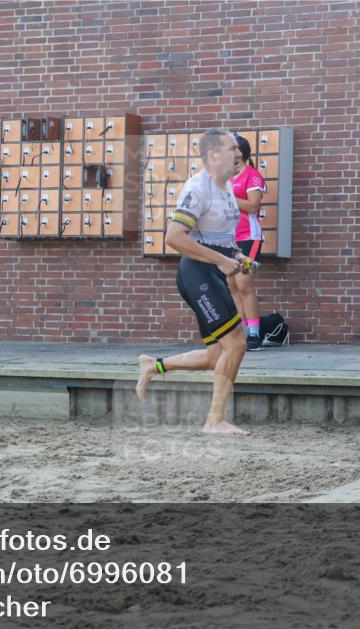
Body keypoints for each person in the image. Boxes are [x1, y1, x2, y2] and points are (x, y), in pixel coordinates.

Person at [136, 128, 252, 435]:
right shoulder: (198, 188)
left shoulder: (225, 188)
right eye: (232, 148)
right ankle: (214, 421)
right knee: (237, 343)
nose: (239, 153)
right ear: (214, 155)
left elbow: (220, 238)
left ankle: (153, 365)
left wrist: (236, 256)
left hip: (211, 272)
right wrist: (219, 260)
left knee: (218, 354)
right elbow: (174, 237)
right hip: (198, 275)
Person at [229, 134, 267, 351]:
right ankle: (240, 333)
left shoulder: (252, 175)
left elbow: (253, 206)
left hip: (247, 237)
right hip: (228, 238)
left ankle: (254, 335)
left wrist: (227, 196)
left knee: (244, 285)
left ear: (240, 152)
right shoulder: (225, 177)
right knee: (232, 286)